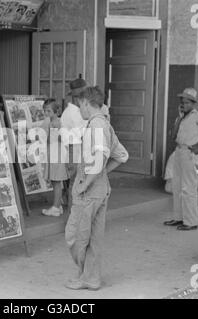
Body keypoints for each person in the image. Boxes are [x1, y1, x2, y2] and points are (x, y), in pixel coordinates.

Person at [64, 86, 128, 291]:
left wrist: (87, 181)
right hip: (100, 189)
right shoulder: (105, 124)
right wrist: (100, 175)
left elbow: (100, 156)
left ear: (85, 102)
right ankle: (91, 278)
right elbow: (122, 156)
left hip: (89, 192)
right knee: (93, 238)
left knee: (74, 236)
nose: (78, 108)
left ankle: (86, 276)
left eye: (79, 104)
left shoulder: (96, 125)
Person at [164, 88, 198, 231]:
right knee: (177, 186)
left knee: (189, 188)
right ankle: (178, 218)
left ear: (193, 103)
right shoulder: (181, 117)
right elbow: (173, 137)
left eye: (187, 102)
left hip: (189, 153)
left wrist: (197, 144)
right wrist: (180, 117)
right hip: (178, 151)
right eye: (182, 102)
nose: (183, 104)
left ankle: (191, 222)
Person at [61, 78, 110, 214]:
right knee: (76, 183)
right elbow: (76, 134)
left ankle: (79, 212)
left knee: (82, 181)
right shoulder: (71, 112)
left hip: (83, 150)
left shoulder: (86, 110)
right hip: (75, 150)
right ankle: (74, 213)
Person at [41, 99, 69, 217]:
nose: (46, 113)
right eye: (44, 110)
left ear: (56, 111)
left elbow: (52, 139)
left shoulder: (54, 123)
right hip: (55, 153)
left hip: (56, 154)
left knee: (56, 181)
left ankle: (56, 207)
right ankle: (58, 205)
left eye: (48, 111)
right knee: (56, 181)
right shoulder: (54, 121)